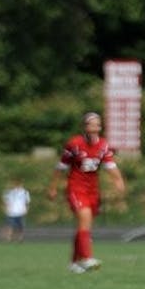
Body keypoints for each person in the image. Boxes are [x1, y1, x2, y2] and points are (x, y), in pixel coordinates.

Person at [48, 112, 126, 273]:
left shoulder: (103, 145)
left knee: (84, 225)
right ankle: (86, 257)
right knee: (85, 219)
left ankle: (74, 263)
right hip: (76, 188)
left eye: (97, 124)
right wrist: (53, 187)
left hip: (93, 190)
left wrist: (118, 181)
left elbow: (110, 165)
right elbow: (61, 167)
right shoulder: (74, 144)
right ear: (84, 127)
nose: (95, 127)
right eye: (91, 124)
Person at [2, 177, 31, 242]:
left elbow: (27, 202)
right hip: (11, 212)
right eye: (15, 184)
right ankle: (8, 238)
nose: (17, 185)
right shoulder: (8, 192)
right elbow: (5, 202)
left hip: (21, 212)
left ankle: (20, 239)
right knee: (10, 226)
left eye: (18, 184)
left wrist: (26, 210)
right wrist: (6, 210)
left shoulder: (25, 192)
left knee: (21, 227)